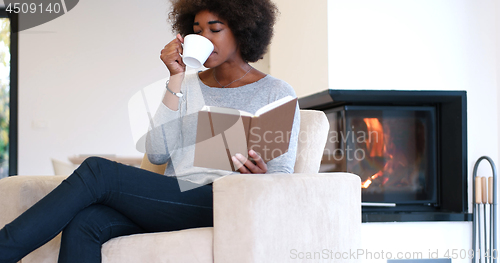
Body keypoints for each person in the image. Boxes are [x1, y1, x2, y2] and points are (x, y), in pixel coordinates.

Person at [0, 0, 299, 262]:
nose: (204, 38)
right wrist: (176, 80)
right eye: (197, 30)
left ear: (242, 29)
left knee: (97, 172)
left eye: (215, 29)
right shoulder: (188, 85)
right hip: (172, 197)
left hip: (222, 201)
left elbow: (282, 180)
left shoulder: (277, 92)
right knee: (86, 222)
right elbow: (156, 152)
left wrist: (262, 178)